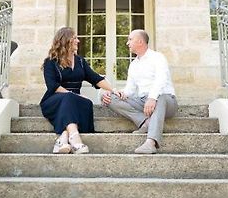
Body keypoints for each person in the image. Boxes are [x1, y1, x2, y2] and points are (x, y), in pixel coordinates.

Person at [41, 26, 116, 154]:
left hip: (73, 101)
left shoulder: (80, 61)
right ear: (66, 40)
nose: (78, 41)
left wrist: (113, 90)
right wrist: (75, 96)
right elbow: (52, 86)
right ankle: (75, 139)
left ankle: (63, 139)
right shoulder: (50, 62)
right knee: (70, 98)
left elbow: (95, 78)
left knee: (87, 103)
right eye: (75, 38)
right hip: (54, 99)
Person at [102, 29, 177, 154]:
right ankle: (146, 122)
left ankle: (151, 142)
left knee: (161, 97)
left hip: (166, 101)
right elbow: (129, 90)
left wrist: (152, 98)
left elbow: (161, 79)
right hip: (143, 102)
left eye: (130, 39)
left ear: (140, 41)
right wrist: (117, 94)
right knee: (108, 97)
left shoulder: (157, 57)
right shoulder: (134, 64)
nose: (127, 43)